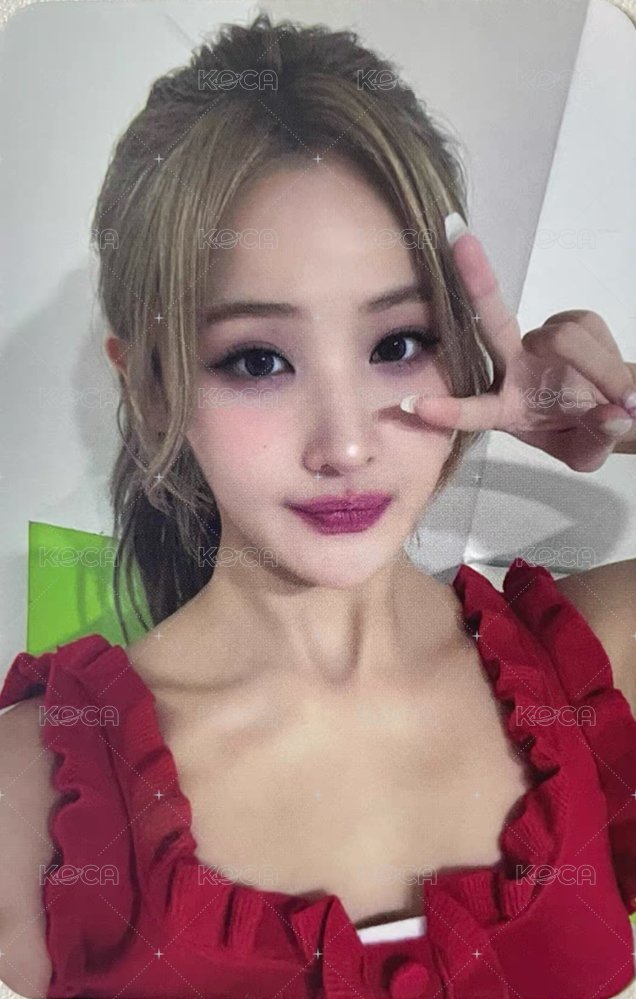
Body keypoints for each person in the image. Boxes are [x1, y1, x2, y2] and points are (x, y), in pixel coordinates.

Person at [1, 11, 635, 999]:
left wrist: (628, 413)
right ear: (154, 389)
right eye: (258, 360)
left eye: (398, 343)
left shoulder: (595, 672)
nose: (345, 445)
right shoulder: (32, 798)